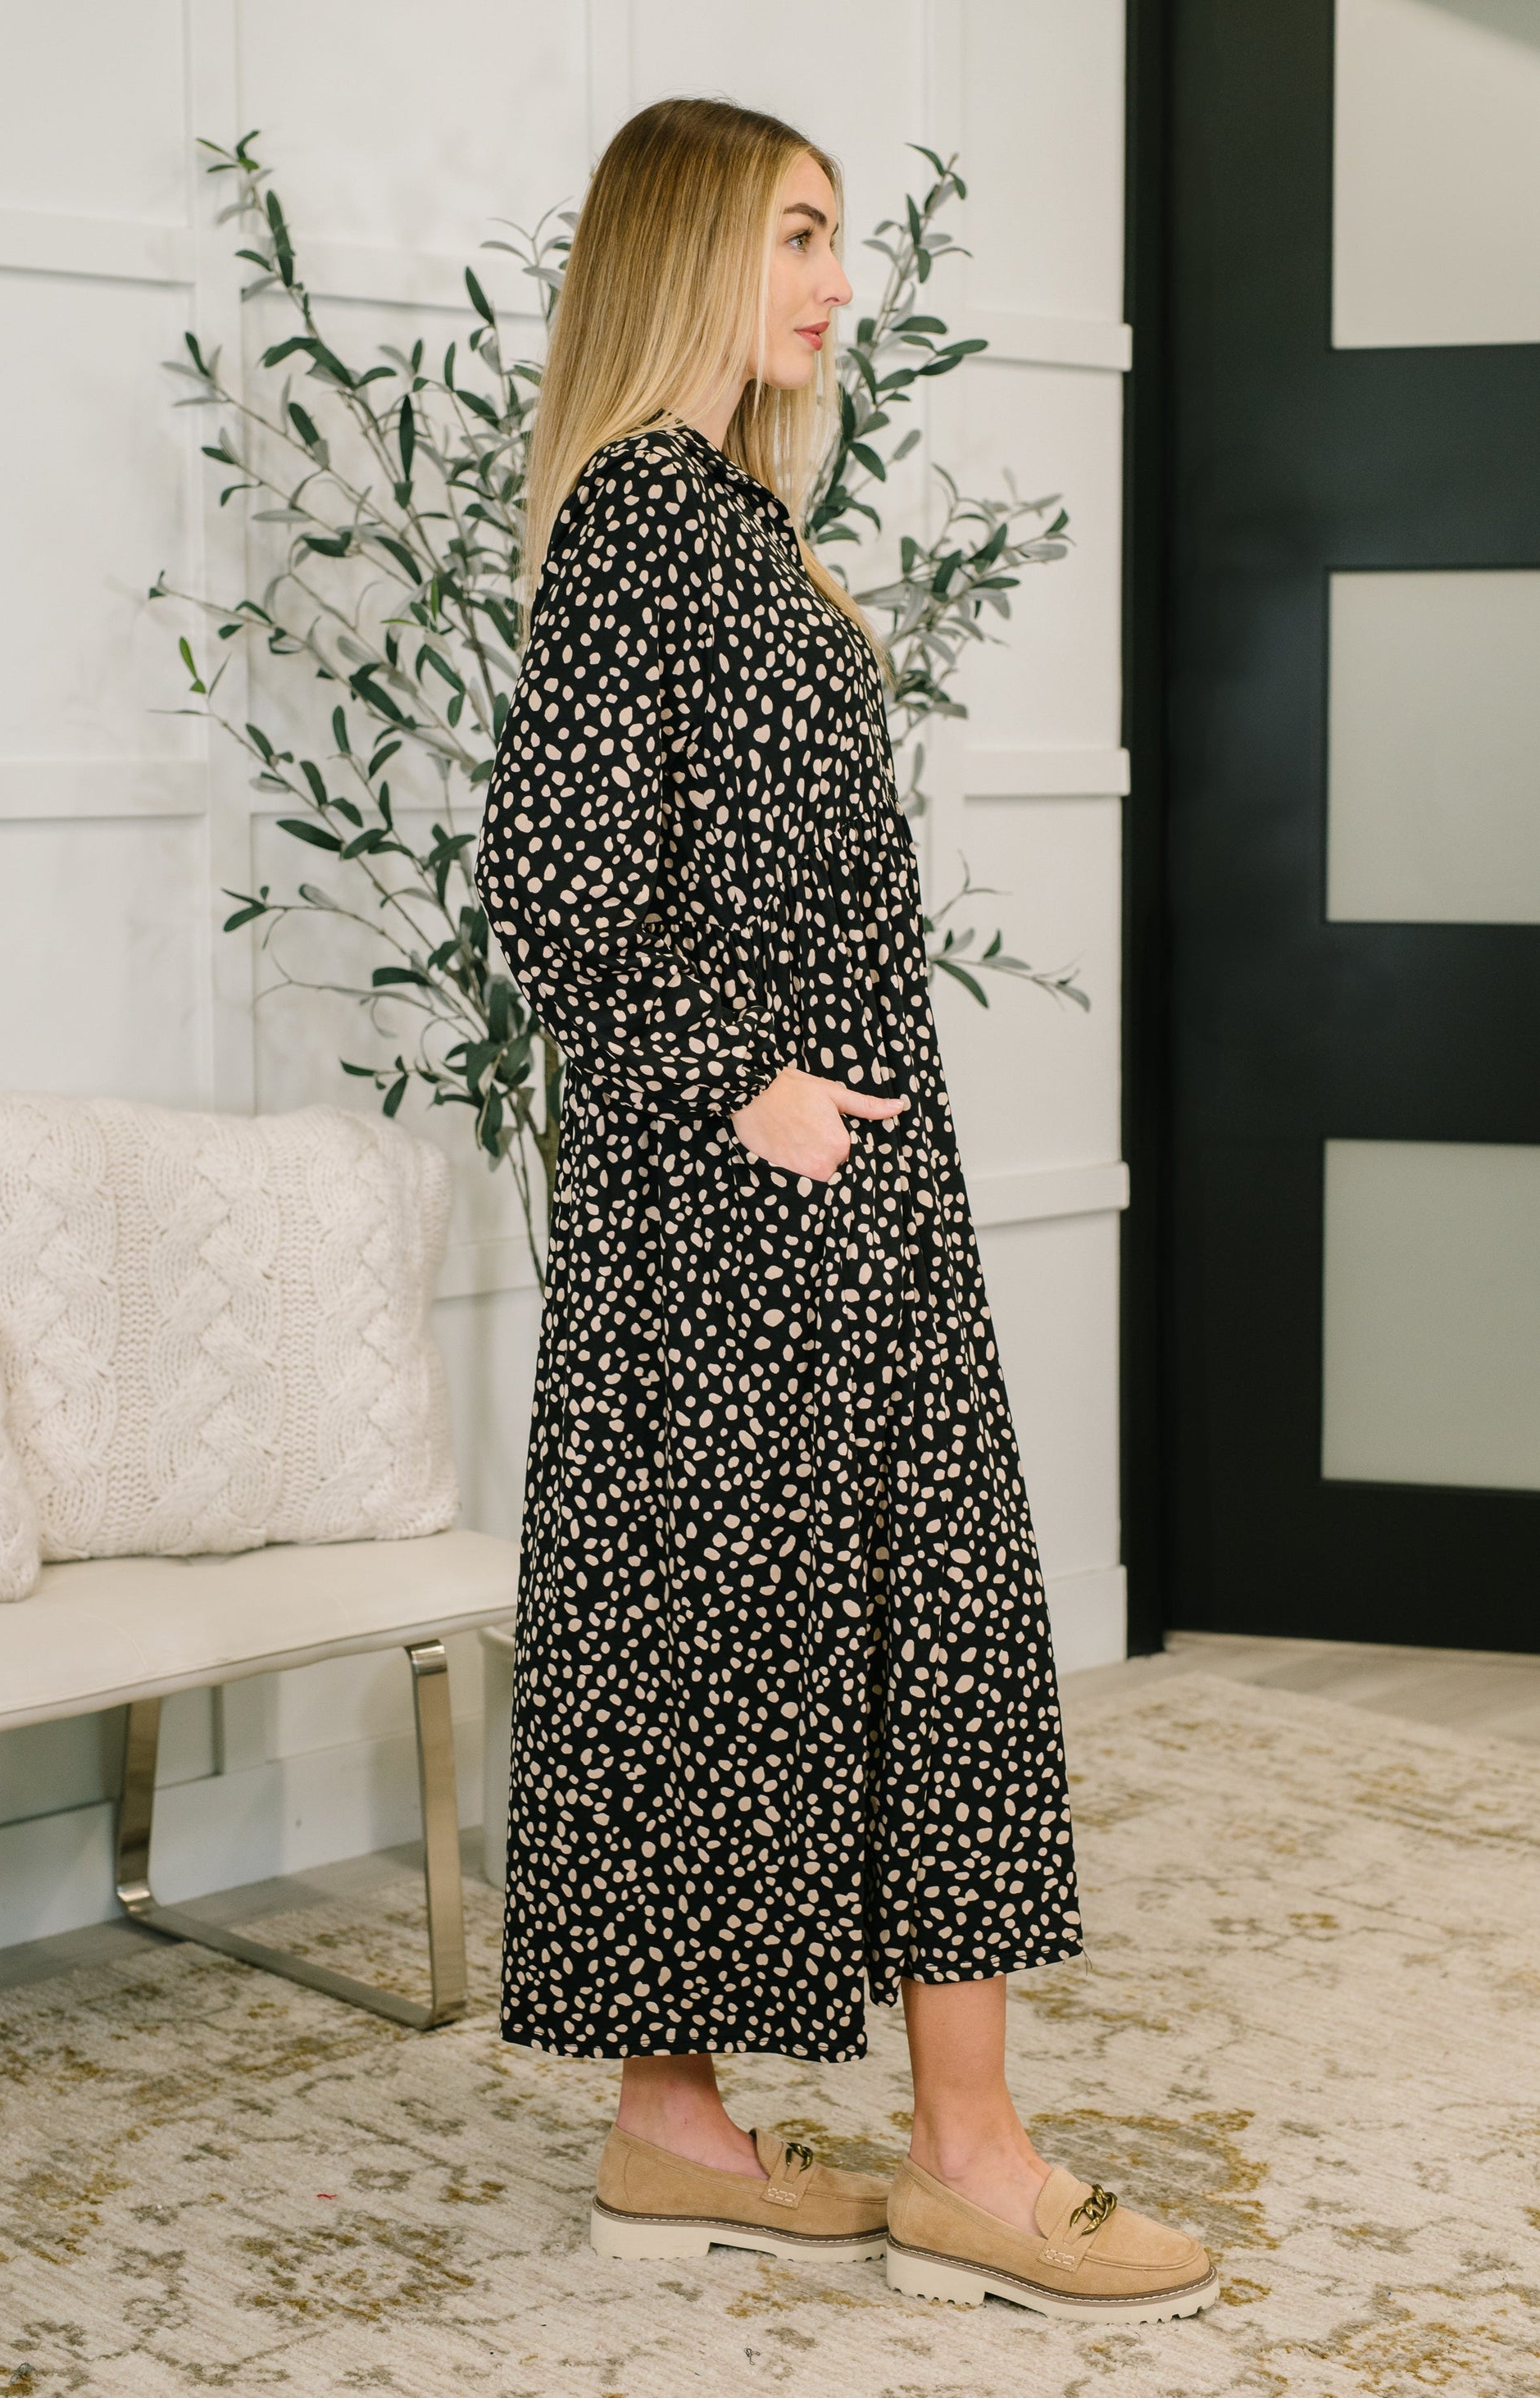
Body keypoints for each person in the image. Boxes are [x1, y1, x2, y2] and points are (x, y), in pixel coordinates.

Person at [475, 95, 1216, 2324]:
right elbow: (554, 886)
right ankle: (970, 2163)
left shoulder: (720, 518)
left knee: (748, 1647)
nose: (833, 281)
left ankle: (675, 2123)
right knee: (919, 1639)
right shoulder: (648, 518)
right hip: (754, 1219)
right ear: (689, 252)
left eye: (836, 238)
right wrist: (753, 1090)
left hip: (807, 1204)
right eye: (795, 236)